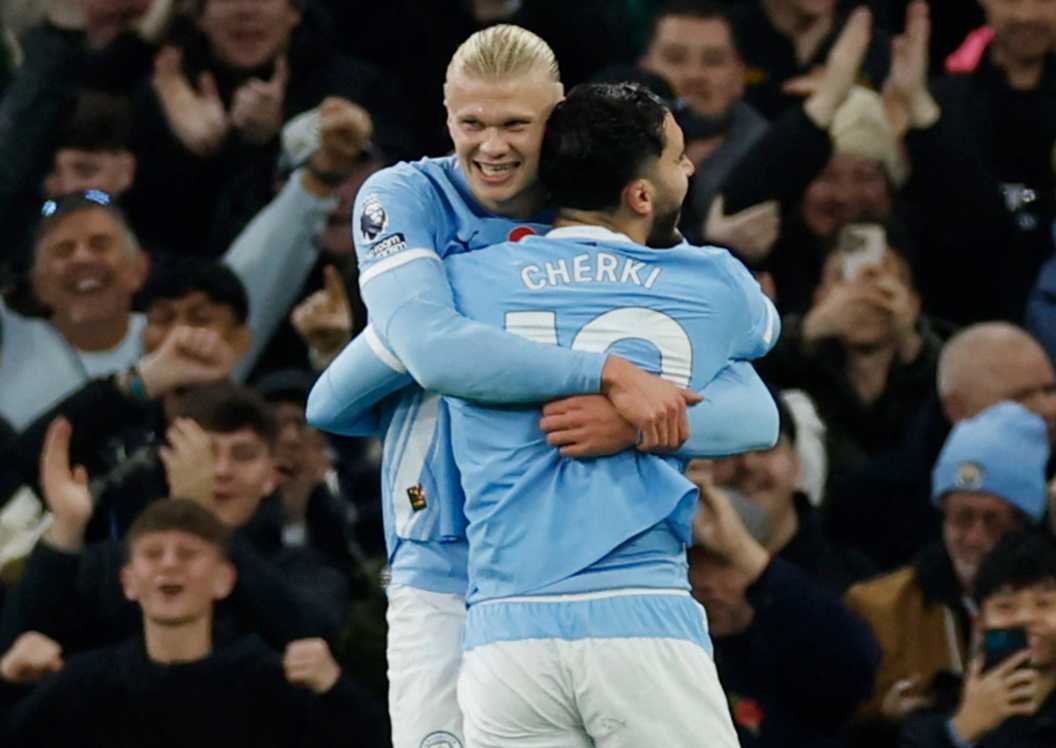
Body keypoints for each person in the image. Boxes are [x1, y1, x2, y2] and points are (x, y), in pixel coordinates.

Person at [307, 25, 779, 748]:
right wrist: (610, 375)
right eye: (471, 123)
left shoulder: (582, 209)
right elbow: (420, 355)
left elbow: (751, 406)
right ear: (445, 117)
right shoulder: (405, 196)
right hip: (441, 560)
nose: (491, 146)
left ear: (556, 118)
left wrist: (628, 421)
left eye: (515, 125)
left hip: (537, 583)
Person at [437, 80, 779, 747]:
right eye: (678, 158)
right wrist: (639, 423)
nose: (690, 168)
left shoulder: (465, 281)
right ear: (641, 195)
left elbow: (332, 398)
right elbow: (758, 415)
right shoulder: (711, 279)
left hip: (504, 637)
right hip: (640, 619)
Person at [3, 498, 385, 747]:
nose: (170, 563)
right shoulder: (84, 683)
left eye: (188, 554)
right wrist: (6, 680)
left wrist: (334, 687)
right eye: (153, 554)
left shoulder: (268, 681)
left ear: (224, 579)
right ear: (129, 582)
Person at [845, 401, 1050, 742]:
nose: (975, 537)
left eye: (994, 520)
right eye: (961, 517)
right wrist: (883, 716)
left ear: (1025, 524)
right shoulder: (878, 607)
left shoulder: (1046, 610)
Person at [826, 322, 1056, 570]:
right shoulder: (872, 503)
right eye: (1020, 398)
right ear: (957, 409)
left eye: (1050, 390)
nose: (1048, 409)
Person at [688, 464, 879, 746]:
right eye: (691, 564)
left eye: (722, 562)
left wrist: (741, 550)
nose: (705, 581)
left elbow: (857, 662)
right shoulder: (677, 653)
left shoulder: (793, 637)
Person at [702, 390, 872, 593]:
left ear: (796, 462)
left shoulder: (850, 579)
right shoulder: (672, 568)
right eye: (725, 451)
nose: (748, 464)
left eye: (766, 446)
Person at [899, 532, 1056, 748]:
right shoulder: (936, 707)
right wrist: (961, 731)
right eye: (1006, 606)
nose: (1025, 618)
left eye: (1044, 604)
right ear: (980, 623)